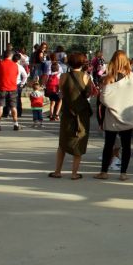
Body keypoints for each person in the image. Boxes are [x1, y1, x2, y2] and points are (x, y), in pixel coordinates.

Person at [94, 51, 133, 182]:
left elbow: (103, 99)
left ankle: (104, 171)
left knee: (108, 145)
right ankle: (123, 173)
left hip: (112, 117)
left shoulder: (108, 78)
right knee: (127, 145)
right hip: (129, 116)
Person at [49, 52, 94, 180]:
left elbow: (62, 93)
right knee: (79, 143)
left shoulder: (63, 76)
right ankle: (74, 173)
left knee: (62, 143)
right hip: (82, 114)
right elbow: (88, 94)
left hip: (67, 113)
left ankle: (57, 171)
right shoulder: (86, 77)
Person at [0, 50, 20, 131]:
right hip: (13, 88)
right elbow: (16, 75)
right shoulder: (15, 65)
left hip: (2, 88)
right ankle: (16, 124)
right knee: (13, 107)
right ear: (11, 56)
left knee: (0, 106)